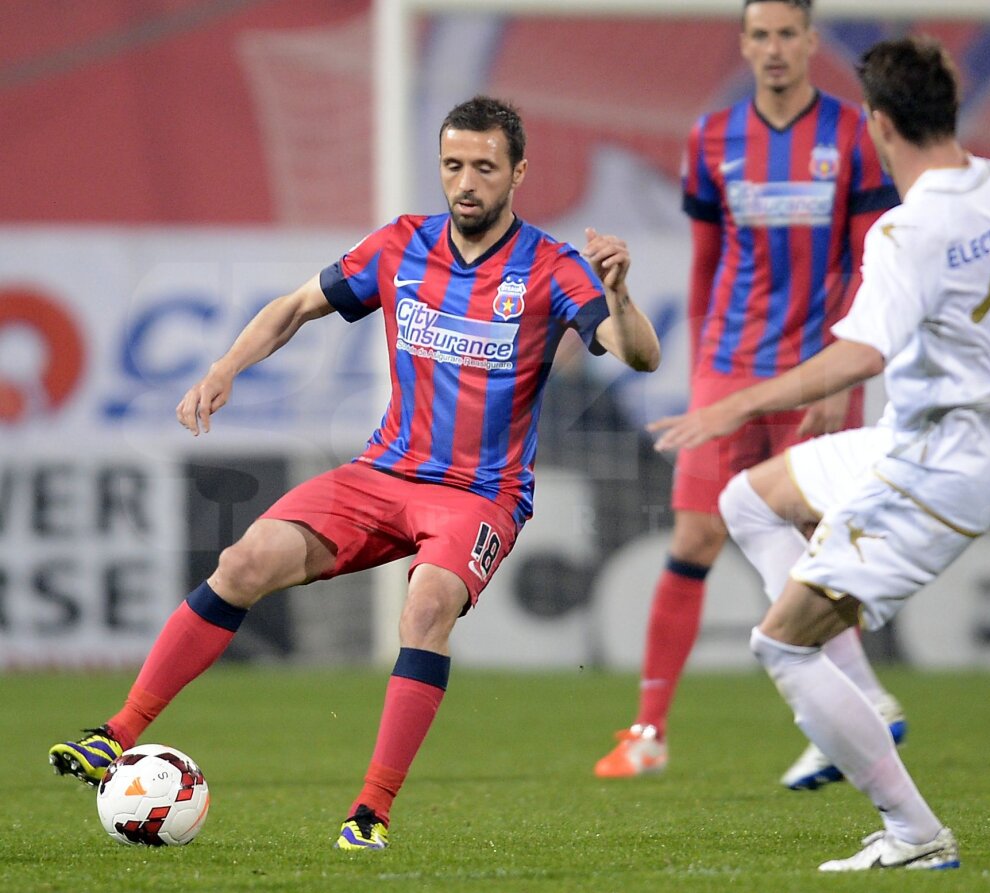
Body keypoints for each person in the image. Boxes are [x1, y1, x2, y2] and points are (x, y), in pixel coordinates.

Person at [48, 95, 661, 851]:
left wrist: (621, 292)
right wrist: (225, 367)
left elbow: (638, 354)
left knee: (428, 603)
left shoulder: (552, 265)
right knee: (243, 560)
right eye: (453, 165)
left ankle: (370, 809)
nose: (466, 182)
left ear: (519, 172)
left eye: (484, 167)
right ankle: (116, 733)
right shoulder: (402, 245)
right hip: (382, 473)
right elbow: (297, 305)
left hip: (480, 493)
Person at [649, 36, 990, 871]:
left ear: (878, 124)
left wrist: (738, 401)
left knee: (780, 645)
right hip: (910, 445)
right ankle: (861, 691)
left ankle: (913, 830)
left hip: (929, 479)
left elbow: (861, 355)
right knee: (746, 500)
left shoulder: (909, 230)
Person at [594, 0, 903, 787]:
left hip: (816, 365)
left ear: (809, 42)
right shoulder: (711, 138)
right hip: (730, 366)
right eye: (759, 35)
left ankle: (854, 709)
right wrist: (704, 369)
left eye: (786, 35)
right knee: (694, 538)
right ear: (744, 44)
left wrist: (843, 365)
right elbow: (705, 263)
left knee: (818, 543)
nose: (772, 49)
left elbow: (871, 259)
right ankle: (649, 730)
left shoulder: (851, 136)